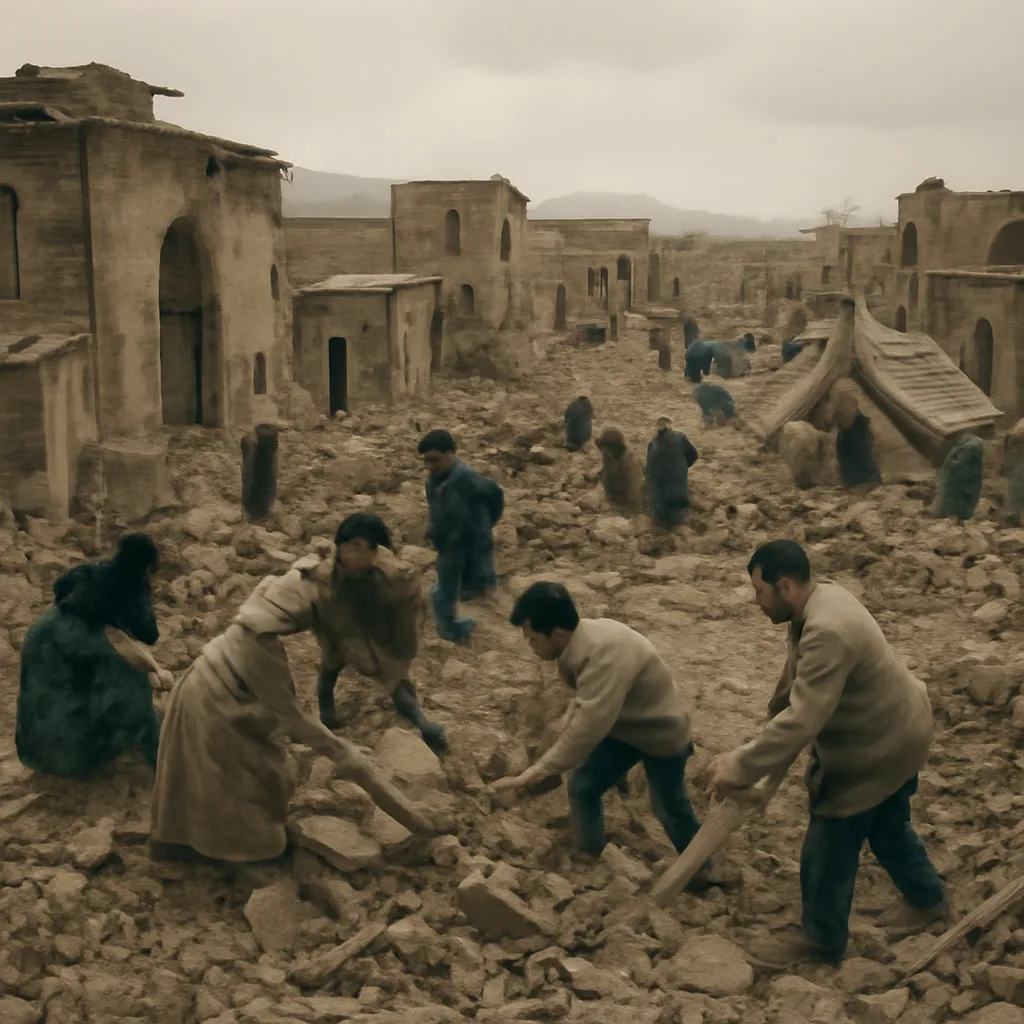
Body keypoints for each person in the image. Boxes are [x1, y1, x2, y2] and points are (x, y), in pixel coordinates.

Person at [150, 517, 447, 866]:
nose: (375, 566)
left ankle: (198, 841)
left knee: (254, 777)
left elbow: (379, 600)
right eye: (371, 554)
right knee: (252, 805)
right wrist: (408, 814)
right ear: (351, 547)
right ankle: (219, 854)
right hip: (212, 698)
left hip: (218, 685)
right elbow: (297, 722)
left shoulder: (318, 577)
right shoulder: (262, 644)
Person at [708, 540, 947, 967]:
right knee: (888, 824)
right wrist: (763, 740)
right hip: (902, 726)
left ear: (785, 587)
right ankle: (927, 897)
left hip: (877, 745)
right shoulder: (820, 601)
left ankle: (821, 941)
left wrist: (742, 764)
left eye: (759, 592)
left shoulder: (827, 630)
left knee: (829, 841)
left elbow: (803, 719)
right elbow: (793, 685)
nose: (755, 601)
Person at [491, 582, 702, 863]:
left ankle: (700, 866)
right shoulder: (578, 641)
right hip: (622, 727)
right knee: (583, 786)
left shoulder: (604, 656)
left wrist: (537, 771)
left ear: (557, 634)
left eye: (533, 640)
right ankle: (591, 854)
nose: (531, 647)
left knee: (668, 806)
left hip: (660, 731)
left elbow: (588, 726)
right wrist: (551, 768)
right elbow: (583, 706)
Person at [16, 533, 170, 778]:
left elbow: (60, 587)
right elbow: (148, 633)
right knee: (132, 687)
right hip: (78, 638)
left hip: (45, 632)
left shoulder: (93, 569)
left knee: (50, 696)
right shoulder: (131, 584)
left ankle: (44, 757)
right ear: (147, 566)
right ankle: (163, 761)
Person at [315, 512, 447, 753]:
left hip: (374, 623)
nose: (350, 554)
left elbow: (406, 611)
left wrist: (392, 648)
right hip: (338, 626)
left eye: (358, 547)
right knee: (330, 665)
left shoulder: (393, 576)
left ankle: (422, 723)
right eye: (347, 546)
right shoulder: (327, 574)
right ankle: (325, 709)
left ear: (374, 551)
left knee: (393, 675)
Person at [417, 429, 504, 643]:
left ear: (451, 453)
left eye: (435, 460)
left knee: (444, 589)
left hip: (468, 539)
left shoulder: (467, 477)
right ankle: (457, 617)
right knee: (456, 578)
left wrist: (485, 525)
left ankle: (451, 629)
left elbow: (495, 496)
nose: (430, 466)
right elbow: (436, 508)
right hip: (449, 540)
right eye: (426, 461)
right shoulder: (433, 480)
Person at [645, 416, 699, 528]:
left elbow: (649, 470)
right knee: (679, 524)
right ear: (671, 427)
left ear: (656, 429)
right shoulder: (680, 438)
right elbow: (694, 455)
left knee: (662, 524)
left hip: (659, 498)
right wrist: (683, 467)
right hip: (679, 492)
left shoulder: (652, 444)